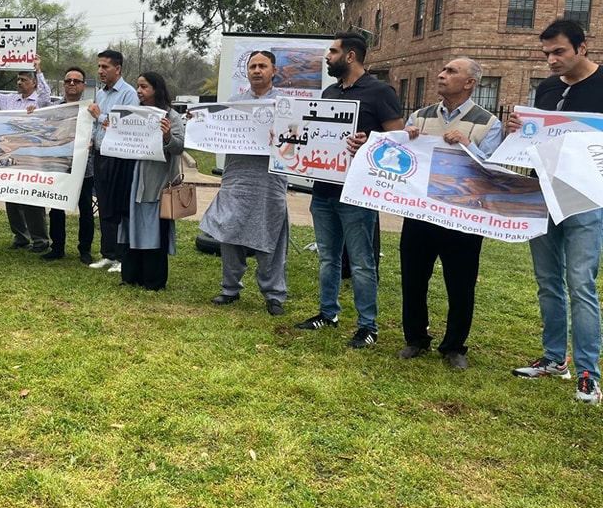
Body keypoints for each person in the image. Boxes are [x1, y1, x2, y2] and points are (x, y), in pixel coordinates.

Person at [508, 19, 603, 405]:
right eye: (546, 53)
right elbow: (536, 137)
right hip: (542, 191)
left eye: (559, 51)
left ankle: (587, 374)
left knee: (580, 283)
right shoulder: (546, 88)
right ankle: (553, 359)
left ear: (582, 47)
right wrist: (519, 127)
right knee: (547, 280)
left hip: (584, 197)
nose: (551, 59)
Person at [296, 32, 403, 347]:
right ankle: (327, 313)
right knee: (328, 258)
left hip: (357, 194)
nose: (327, 57)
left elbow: (398, 141)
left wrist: (368, 142)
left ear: (351, 56)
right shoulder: (329, 92)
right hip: (324, 191)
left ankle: (367, 326)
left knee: (361, 261)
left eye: (332, 51)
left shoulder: (380, 92)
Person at [396, 57, 502, 369]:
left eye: (451, 71)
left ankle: (454, 347)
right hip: (421, 214)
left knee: (460, 283)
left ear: (470, 83)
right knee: (413, 279)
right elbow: (401, 160)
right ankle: (415, 339)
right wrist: (407, 139)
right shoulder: (420, 116)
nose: (441, 75)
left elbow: (493, 172)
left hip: (463, 218)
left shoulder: (487, 124)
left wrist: (469, 145)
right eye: (442, 69)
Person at [199, 50, 290, 315]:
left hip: (269, 180)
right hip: (236, 178)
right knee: (229, 232)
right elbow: (213, 132)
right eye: (252, 66)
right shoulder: (234, 104)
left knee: (269, 235)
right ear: (247, 71)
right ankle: (230, 288)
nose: (257, 70)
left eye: (263, 66)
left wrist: (282, 136)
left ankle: (274, 295)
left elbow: (296, 141)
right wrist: (199, 123)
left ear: (274, 71)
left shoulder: (284, 105)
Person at [0, 54, 52, 252]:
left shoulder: (40, 101)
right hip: (9, 154)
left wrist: (39, 70)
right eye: (18, 79)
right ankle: (20, 236)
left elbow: (46, 95)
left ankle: (40, 240)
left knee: (31, 198)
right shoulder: (8, 100)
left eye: (24, 80)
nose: (19, 83)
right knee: (12, 198)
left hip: (31, 155)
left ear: (33, 83)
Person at [117, 71, 185, 290]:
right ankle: (131, 276)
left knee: (153, 228)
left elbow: (179, 147)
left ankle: (153, 280)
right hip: (131, 178)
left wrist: (167, 137)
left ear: (156, 89)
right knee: (130, 226)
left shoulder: (170, 116)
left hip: (156, 183)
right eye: (138, 86)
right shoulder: (133, 113)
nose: (139, 91)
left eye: (144, 87)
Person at [87, 49, 139, 272]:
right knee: (105, 205)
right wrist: (90, 139)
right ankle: (108, 254)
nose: (100, 71)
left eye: (105, 67)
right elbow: (96, 125)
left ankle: (121, 257)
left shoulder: (128, 94)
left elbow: (127, 125)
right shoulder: (101, 93)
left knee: (119, 206)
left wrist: (99, 116)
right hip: (100, 155)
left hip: (120, 157)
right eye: (99, 66)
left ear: (117, 69)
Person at [40, 67, 94, 263]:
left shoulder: (91, 109)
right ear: (63, 85)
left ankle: (85, 250)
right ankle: (57, 247)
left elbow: (98, 131)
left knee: (86, 210)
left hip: (84, 169)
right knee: (56, 208)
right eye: (68, 80)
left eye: (76, 81)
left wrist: (92, 141)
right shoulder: (55, 109)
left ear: (83, 85)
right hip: (60, 166)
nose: (72, 84)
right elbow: (44, 129)